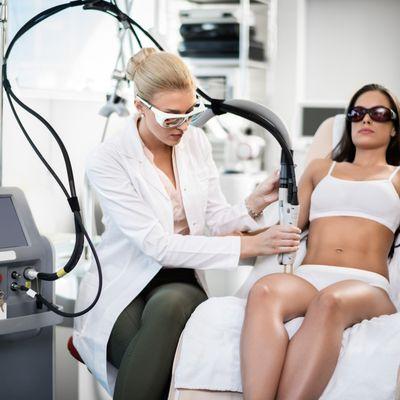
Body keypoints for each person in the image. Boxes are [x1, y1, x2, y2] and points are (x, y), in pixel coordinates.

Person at [73, 47, 300, 400]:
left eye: (189, 113)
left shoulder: (195, 141)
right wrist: (249, 244)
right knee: (156, 368)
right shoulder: (109, 159)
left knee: (171, 308)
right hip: (122, 281)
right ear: (140, 107)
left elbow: (214, 218)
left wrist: (253, 202)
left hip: (180, 278)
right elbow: (157, 245)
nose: (182, 126)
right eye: (171, 118)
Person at [240, 83, 400, 400]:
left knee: (330, 302)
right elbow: (286, 228)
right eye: (357, 113)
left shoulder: (397, 176)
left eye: (379, 113)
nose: (366, 119)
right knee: (265, 290)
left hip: (367, 286)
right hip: (310, 278)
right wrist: (244, 222)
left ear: (394, 127)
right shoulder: (320, 169)